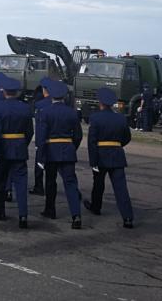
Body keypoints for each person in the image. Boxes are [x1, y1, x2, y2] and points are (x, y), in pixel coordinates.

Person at [84, 87, 134, 228]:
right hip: (117, 154)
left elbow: (92, 141)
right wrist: (117, 146)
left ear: (100, 102)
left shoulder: (95, 117)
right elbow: (127, 138)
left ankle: (96, 207)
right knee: (121, 188)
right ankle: (128, 217)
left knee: (98, 184)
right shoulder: (120, 118)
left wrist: (93, 160)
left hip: (100, 155)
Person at [37, 79, 84, 229]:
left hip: (51, 151)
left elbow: (41, 137)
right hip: (67, 150)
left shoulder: (46, 112)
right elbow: (78, 135)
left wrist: (41, 156)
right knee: (70, 183)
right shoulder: (72, 113)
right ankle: (76, 215)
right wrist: (72, 147)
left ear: (51, 96)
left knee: (50, 182)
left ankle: (50, 209)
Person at [0, 75, 33, 227]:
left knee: (1, 182)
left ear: (5, 91)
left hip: (3, 149)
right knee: (21, 184)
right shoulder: (26, 108)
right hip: (19, 148)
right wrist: (22, 143)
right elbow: (30, 132)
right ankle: (23, 215)